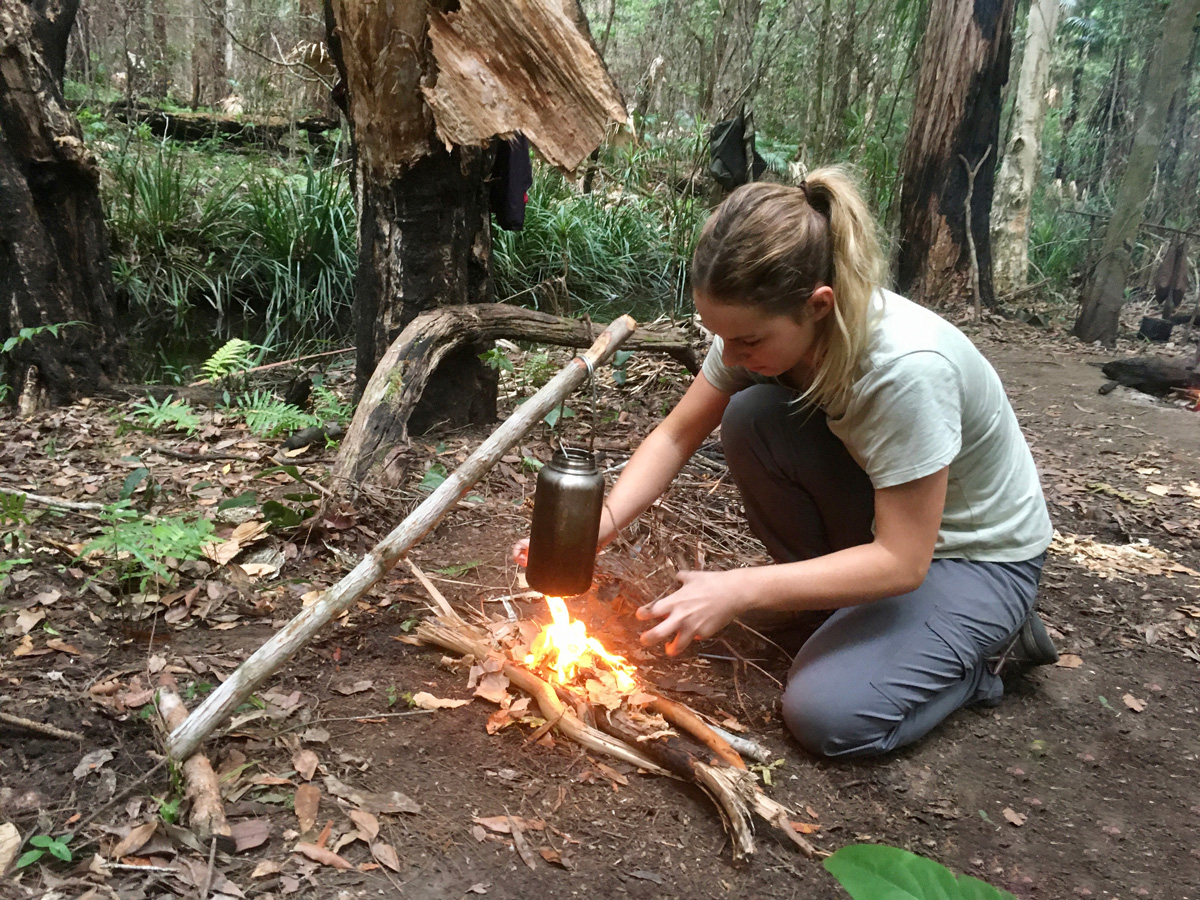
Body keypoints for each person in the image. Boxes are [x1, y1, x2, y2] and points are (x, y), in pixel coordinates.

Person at [516, 167, 1058, 759]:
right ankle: (840, 619)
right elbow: (677, 434)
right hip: (892, 524)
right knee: (751, 418)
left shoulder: (905, 371)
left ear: (819, 305)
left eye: (746, 340)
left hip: (975, 558)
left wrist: (741, 589)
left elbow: (903, 560)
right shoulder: (764, 334)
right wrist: (601, 522)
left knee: (828, 716)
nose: (730, 352)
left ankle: (986, 655)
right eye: (717, 333)